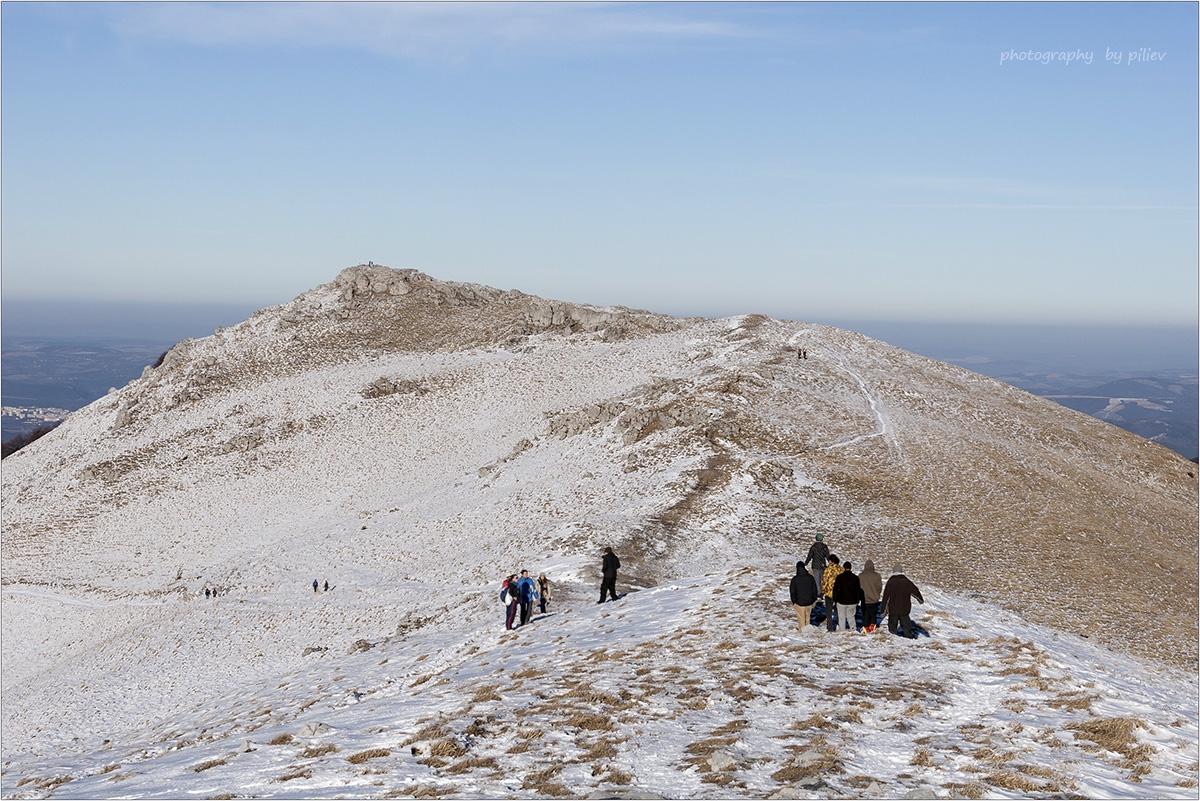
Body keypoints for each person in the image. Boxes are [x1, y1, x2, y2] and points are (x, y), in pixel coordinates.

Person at [881, 565, 924, 639]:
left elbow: (886, 597)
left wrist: (883, 611)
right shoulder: (907, 582)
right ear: (901, 571)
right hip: (904, 608)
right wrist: (920, 600)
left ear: (894, 571)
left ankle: (893, 637)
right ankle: (909, 636)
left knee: (892, 625)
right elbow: (915, 591)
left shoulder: (891, 582)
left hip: (893, 608)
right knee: (906, 624)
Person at [832, 561, 862, 632]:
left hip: (841, 601)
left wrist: (835, 599)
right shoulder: (855, 578)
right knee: (851, 616)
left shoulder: (839, 577)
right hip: (853, 601)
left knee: (841, 617)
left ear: (843, 568)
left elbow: (835, 590)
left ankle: (842, 630)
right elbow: (858, 590)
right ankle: (853, 629)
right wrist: (857, 599)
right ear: (851, 568)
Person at [789, 561, 819, 632]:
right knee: (807, 618)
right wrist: (813, 599)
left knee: (801, 620)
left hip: (799, 602)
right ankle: (808, 633)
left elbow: (792, 592)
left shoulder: (795, 579)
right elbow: (815, 590)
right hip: (809, 602)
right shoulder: (810, 578)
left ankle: (802, 634)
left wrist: (794, 601)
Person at [804, 534, 831, 604]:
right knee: (822, 580)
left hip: (815, 566)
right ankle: (823, 592)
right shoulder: (824, 547)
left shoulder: (814, 547)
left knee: (817, 580)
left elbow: (810, 556)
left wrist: (805, 563)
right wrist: (831, 563)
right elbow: (828, 556)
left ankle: (819, 594)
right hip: (823, 566)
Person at [859, 560, 883, 633]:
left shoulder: (861, 576)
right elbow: (880, 587)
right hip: (874, 599)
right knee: (873, 614)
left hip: (864, 599)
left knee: (865, 614)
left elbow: (858, 587)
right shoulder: (877, 575)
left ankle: (866, 627)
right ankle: (872, 625)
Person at [821, 555, 843, 631]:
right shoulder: (841, 569)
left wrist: (823, 591)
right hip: (839, 594)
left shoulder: (827, 570)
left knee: (829, 611)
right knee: (839, 611)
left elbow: (824, 581)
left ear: (830, 561)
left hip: (829, 593)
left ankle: (830, 628)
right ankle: (841, 625)